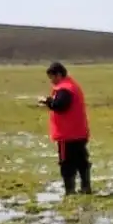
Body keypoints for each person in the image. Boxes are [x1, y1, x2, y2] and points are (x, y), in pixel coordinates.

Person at [37, 62, 92, 195]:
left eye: (52, 77)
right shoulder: (72, 86)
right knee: (81, 160)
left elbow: (60, 106)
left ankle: (70, 190)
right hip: (79, 131)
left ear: (58, 75)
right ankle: (85, 186)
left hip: (68, 134)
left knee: (67, 163)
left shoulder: (64, 89)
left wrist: (47, 101)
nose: (51, 81)